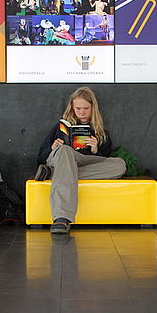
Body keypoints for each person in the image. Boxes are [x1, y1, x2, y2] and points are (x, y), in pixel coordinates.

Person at [35, 87, 126, 234]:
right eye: (78, 108)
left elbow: (105, 158)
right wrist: (52, 148)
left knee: (120, 165)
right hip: (62, 157)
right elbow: (40, 157)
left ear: (92, 108)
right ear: (72, 107)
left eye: (85, 108)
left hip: (85, 160)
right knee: (65, 150)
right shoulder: (60, 128)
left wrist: (96, 149)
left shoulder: (100, 130)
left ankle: (53, 174)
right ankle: (61, 218)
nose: (82, 112)